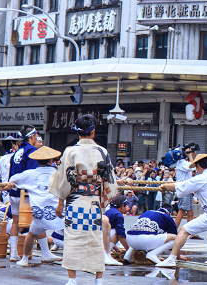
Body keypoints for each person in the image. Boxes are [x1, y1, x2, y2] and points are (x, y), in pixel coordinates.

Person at [49, 114, 117, 285]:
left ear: (78, 132)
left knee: (73, 237)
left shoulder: (71, 151)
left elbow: (64, 180)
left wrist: (60, 202)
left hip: (75, 200)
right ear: (93, 132)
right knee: (95, 237)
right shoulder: (103, 151)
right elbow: (110, 181)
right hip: (94, 200)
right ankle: (98, 279)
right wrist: (102, 202)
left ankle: (72, 279)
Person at [155, 153, 207, 268]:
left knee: (183, 230)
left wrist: (165, 185)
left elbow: (181, 186)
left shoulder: (201, 178)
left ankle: (171, 259)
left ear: (198, 166)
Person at [6, 145, 63, 266]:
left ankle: (24, 259)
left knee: (32, 233)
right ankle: (70, 259)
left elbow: (14, 178)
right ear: (51, 160)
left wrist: (13, 184)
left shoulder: (30, 174)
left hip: (39, 212)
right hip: (57, 212)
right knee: (70, 231)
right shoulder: (58, 173)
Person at [7, 124, 40, 262]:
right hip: (24, 194)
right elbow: (31, 174)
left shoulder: (17, 151)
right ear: (32, 137)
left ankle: (14, 253)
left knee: (15, 222)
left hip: (13, 191)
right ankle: (44, 252)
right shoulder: (32, 151)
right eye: (36, 136)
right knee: (38, 221)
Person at [173, 142, 198, 230]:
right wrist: (191, 155)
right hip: (184, 189)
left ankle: (191, 232)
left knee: (190, 212)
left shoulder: (183, 162)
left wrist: (194, 154)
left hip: (188, 189)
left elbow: (195, 164)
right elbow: (192, 167)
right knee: (182, 210)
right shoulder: (181, 163)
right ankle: (173, 230)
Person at [102, 194, 129, 265]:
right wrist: (128, 250)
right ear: (122, 206)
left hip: (101, 235)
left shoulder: (109, 210)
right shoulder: (118, 215)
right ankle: (106, 252)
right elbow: (121, 236)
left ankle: (107, 253)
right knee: (118, 232)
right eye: (125, 206)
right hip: (103, 237)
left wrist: (116, 248)